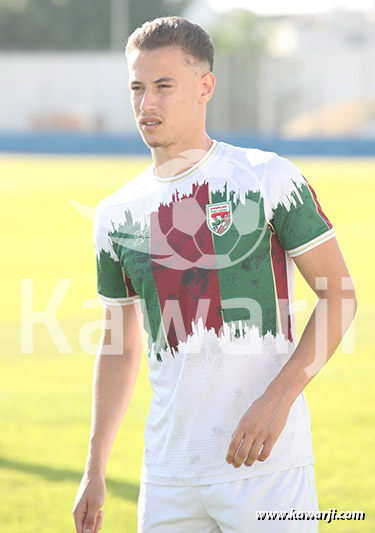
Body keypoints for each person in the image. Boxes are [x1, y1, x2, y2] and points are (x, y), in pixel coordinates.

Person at [72, 16, 357, 533]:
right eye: (136, 87)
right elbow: (118, 347)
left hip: (267, 471)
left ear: (205, 86)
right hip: (168, 477)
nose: (146, 103)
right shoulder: (115, 214)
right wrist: (95, 467)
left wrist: (278, 400)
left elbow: (339, 295)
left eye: (163, 85)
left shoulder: (268, 177)